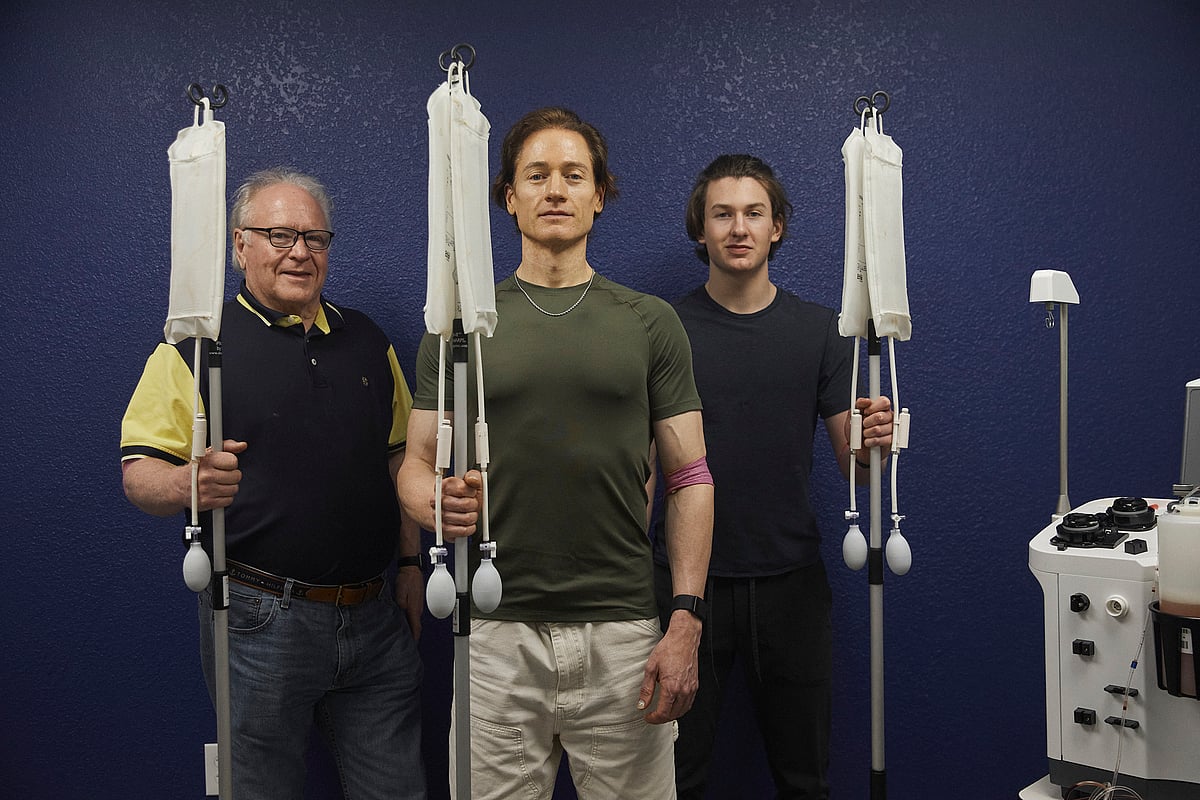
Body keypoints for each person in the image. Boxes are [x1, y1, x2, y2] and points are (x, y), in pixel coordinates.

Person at [397, 107, 714, 800]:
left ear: (599, 194)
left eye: (574, 175)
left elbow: (691, 476)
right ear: (509, 196)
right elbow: (415, 467)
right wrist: (434, 504)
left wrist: (685, 615)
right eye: (536, 175)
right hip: (495, 634)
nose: (555, 190)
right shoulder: (458, 328)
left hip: (624, 631)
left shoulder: (649, 323)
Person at [120, 167, 426, 800]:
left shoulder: (368, 341)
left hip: (376, 618)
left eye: (314, 238)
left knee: (396, 789)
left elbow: (399, 462)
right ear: (240, 245)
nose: (299, 253)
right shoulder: (196, 348)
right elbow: (138, 474)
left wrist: (409, 564)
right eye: (279, 235)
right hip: (259, 620)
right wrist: (187, 484)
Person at [651, 154, 894, 800]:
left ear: (776, 227)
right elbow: (644, 471)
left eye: (754, 213)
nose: (739, 228)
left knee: (804, 779)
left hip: (791, 587)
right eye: (722, 214)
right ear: (700, 229)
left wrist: (874, 444)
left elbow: (855, 471)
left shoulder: (822, 332)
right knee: (674, 778)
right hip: (685, 587)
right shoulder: (664, 330)